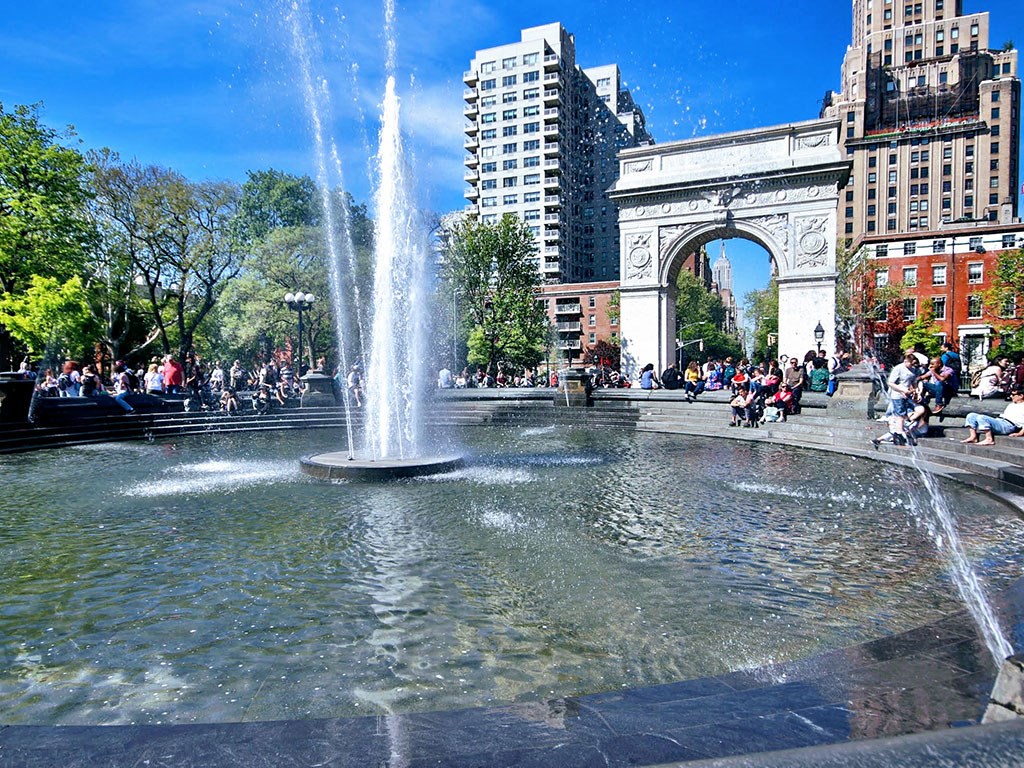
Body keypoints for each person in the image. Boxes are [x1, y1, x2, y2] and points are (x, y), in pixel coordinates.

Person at [886, 352, 922, 436]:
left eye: (914, 364)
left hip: (908, 394)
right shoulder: (898, 368)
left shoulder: (913, 369)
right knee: (900, 413)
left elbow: (914, 381)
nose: (912, 366)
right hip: (897, 394)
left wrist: (917, 392)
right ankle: (899, 432)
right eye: (911, 364)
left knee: (911, 411)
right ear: (906, 361)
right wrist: (902, 390)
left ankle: (901, 429)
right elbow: (890, 383)